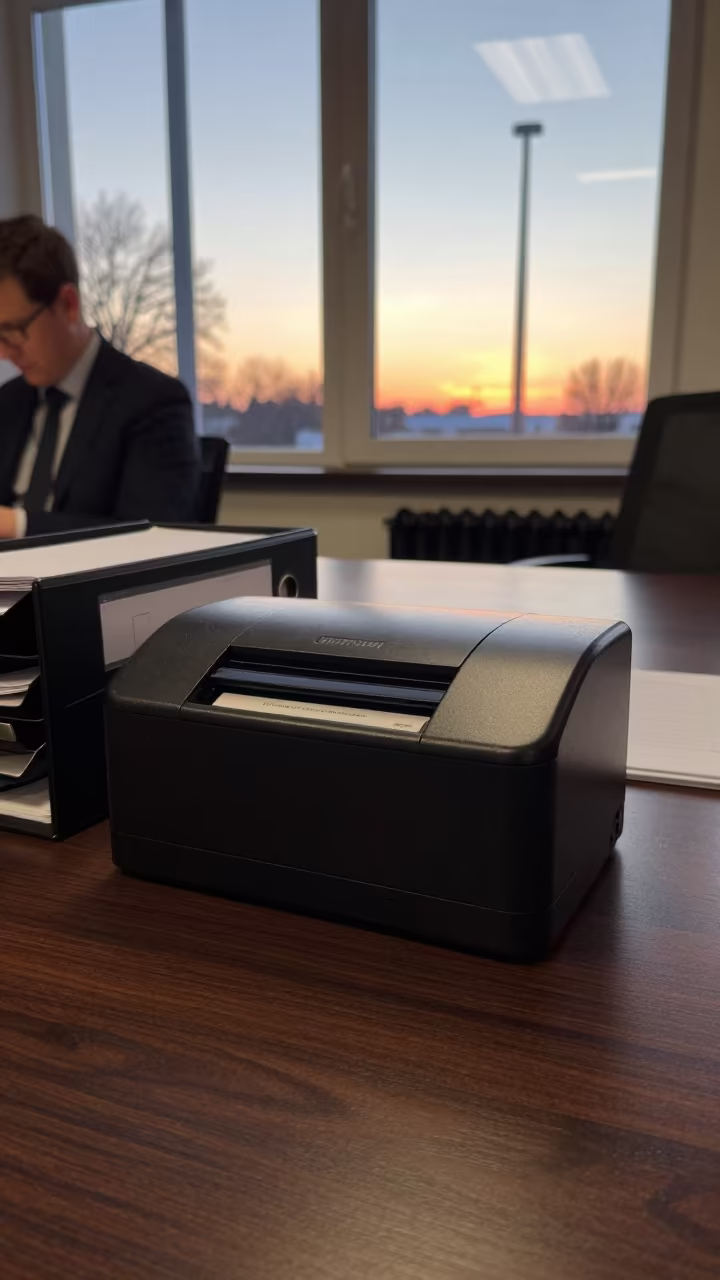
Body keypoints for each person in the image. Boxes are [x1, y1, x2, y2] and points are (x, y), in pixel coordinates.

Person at [0, 214, 200, 538]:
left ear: (68, 304)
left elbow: (152, 536)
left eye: (14, 331)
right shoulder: (8, 403)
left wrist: (17, 525)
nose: (4, 353)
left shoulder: (153, 402)